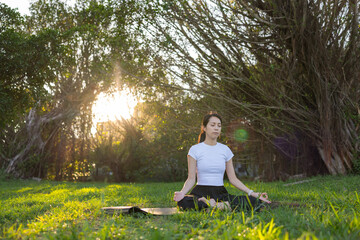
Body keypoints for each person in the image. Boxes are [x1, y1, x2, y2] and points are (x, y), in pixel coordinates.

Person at [173, 112, 271, 212]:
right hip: (200, 191)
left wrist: (252, 193)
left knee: (255, 201)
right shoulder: (195, 150)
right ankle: (220, 206)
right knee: (183, 201)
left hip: (220, 192)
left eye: (219, 126)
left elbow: (233, 179)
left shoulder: (225, 150)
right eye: (212, 125)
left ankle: (212, 206)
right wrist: (182, 193)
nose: (216, 128)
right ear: (204, 128)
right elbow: (191, 179)